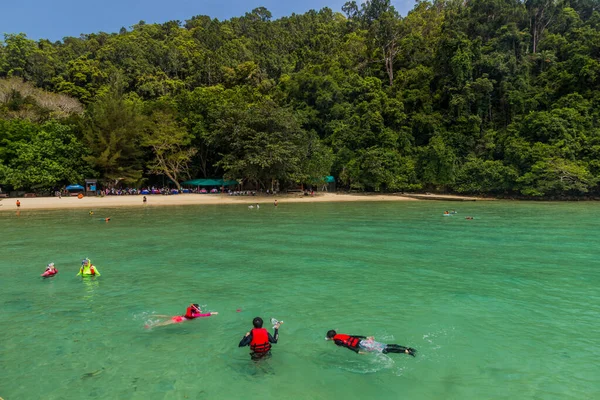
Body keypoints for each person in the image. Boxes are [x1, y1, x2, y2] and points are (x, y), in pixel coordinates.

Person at [326, 330, 416, 356]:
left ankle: (406, 351)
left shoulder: (336, 341)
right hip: (363, 341)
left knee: (384, 350)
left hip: (362, 345)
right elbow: (354, 336)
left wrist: (357, 352)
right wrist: (366, 337)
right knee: (385, 345)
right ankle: (406, 348)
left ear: (330, 337)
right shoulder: (341, 335)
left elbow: (347, 346)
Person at [151, 304, 218, 327]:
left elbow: (192, 308)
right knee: (164, 324)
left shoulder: (190, 310)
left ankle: (153, 315)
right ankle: (151, 326)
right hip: (179, 319)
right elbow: (204, 315)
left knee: (167, 316)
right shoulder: (194, 315)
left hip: (180, 316)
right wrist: (213, 313)